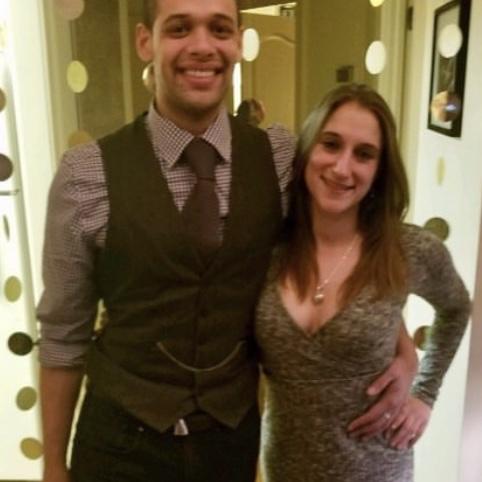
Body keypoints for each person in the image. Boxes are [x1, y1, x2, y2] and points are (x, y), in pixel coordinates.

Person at [37, 2, 417, 481]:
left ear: (237, 41)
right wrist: (53, 464)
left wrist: (404, 347)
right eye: (179, 28)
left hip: (231, 440)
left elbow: (339, 252)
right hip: (119, 442)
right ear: (145, 42)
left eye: (219, 29)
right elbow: (63, 335)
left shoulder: (279, 157)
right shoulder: (86, 175)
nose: (202, 46)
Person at [255, 83, 471, 482]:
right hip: (285, 467)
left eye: (364, 154)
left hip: (378, 469)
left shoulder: (409, 250)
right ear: (307, 149)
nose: (342, 168)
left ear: (380, 170)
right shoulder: (265, 248)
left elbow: (456, 308)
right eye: (331, 144)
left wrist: (424, 393)